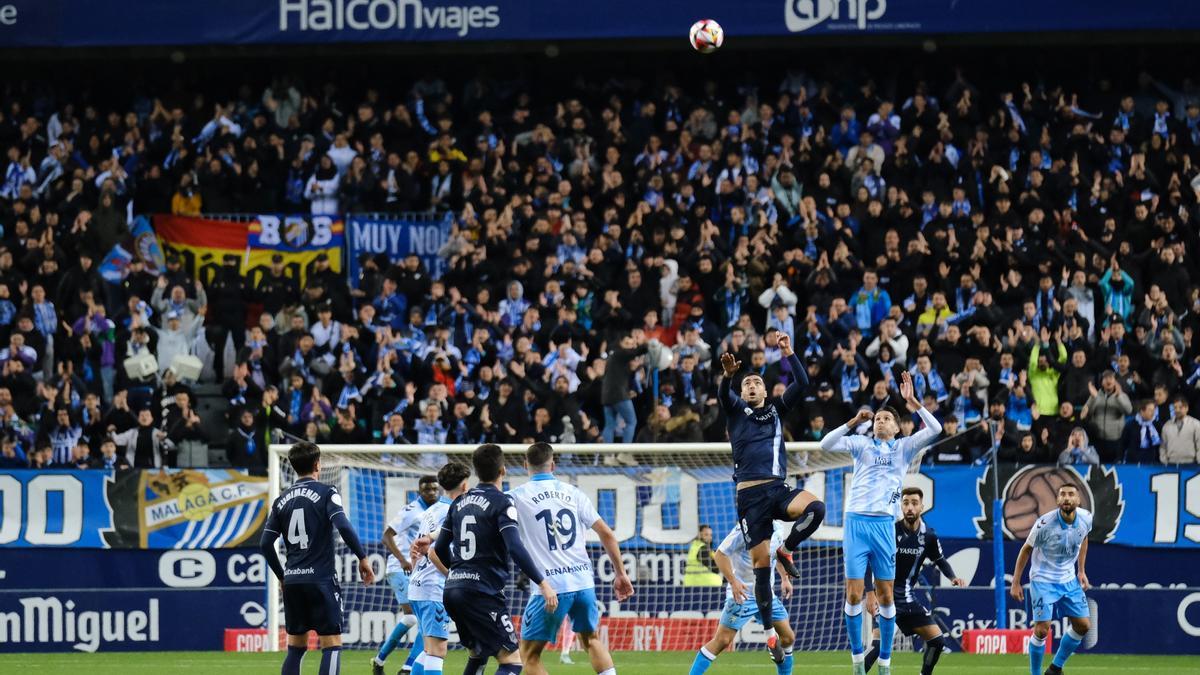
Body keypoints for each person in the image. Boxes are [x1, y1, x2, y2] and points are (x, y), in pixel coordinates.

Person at [820, 370, 943, 675]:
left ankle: (885, 663)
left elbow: (936, 428)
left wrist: (914, 402)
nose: (880, 421)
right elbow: (825, 445)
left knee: (886, 595)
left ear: (898, 427)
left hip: (884, 526)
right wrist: (852, 422)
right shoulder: (861, 445)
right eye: (877, 419)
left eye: (886, 419)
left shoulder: (904, 448)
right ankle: (858, 661)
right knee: (853, 594)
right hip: (856, 523)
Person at [718, 332, 824, 634]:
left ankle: (787, 549)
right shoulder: (736, 411)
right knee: (761, 572)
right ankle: (769, 635)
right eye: (746, 383)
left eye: (756, 383)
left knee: (816, 508)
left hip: (777, 489)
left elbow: (803, 384)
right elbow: (723, 396)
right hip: (750, 499)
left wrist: (789, 352)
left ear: (765, 391)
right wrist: (728, 377)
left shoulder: (777, 409)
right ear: (742, 392)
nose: (751, 385)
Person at [431, 444, 559, 675]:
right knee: (511, 661)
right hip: (482, 593)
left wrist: (460, 572)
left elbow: (439, 548)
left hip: (453, 590)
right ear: (503, 470)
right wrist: (543, 583)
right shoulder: (502, 503)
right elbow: (515, 548)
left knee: (478, 654)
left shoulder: (459, 503)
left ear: (476, 471)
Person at [509, 443, 634, 675]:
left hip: (551, 588)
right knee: (591, 639)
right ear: (553, 465)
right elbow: (607, 533)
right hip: (583, 583)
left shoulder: (516, 497)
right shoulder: (573, 493)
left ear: (526, 465)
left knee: (528, 655)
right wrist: (620, 573)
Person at [259, 441, 375, 675]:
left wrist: (282, 576)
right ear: (317, 465)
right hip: (320, 579)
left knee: (296, 646)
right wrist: (362, 557)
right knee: (332, 645)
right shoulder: (327, 492)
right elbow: (342, 524)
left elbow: (265, 544)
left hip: (293, 580)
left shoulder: (281, 500)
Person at [862, 488, 965, 675]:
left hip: (908, 600)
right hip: (885, 598)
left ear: (922, 507)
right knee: (878, 646)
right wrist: (870, 593)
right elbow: (869, 560)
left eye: (914, 503)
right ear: (901, 506)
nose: (910, 507)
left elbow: (939, 559)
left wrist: (953, 577)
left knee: (937, 641)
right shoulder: (889, 531)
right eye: (906, 503)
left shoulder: (929, 536)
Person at [688, 522, 795, 675]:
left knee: (788, 637)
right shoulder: (744, 528)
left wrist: (784, 578)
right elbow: (720, 554)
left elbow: (777, 555)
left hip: (766, 593)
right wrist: (733, 581)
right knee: (722, 640)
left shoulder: (778, 527)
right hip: (743, 594)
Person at [1009, 484, 1094, 675]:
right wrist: (1016, 582)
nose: (1066, 498)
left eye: (1071, 494)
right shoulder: (1044, 524)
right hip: (1043, 580)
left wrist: (1081, 570)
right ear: (1057, 500)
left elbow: (1084, 539)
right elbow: (1026, 549)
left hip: (1069, 579)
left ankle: (1055, 668)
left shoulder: (1086, 518)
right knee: (1042, 630)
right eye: (1062, 494)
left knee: (1083, 625)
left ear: (1078, 500)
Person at [406, 461, 473, 675]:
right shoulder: (451, 511)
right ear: (464, 486)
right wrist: (453, 577)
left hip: (418, 585)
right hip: (434, 588)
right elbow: (433, 551)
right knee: (438, 650)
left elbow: (418, 549)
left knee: (429, 649)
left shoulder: (431, 510)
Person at [373, 475, 441, 675]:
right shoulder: (411, 510)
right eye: (427, 489)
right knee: (421, 620)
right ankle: (407, 667)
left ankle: (380, 660)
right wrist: (403, 560)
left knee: (415, 619)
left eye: (435, 489)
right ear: (419, 491)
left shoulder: (434, 511)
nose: (432, 493)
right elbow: (386, 536)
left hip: (416, 569)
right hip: (400, 567)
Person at [1161, 397, 1200, 464]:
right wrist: (1164, 461)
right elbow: (1163, 446)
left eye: (1180, 407)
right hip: (1171, 463)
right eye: (1175, 407)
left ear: (1186, 408)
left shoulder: (1196, 424)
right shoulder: (1166, 426)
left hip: (1191, 463)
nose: (1177, 410)